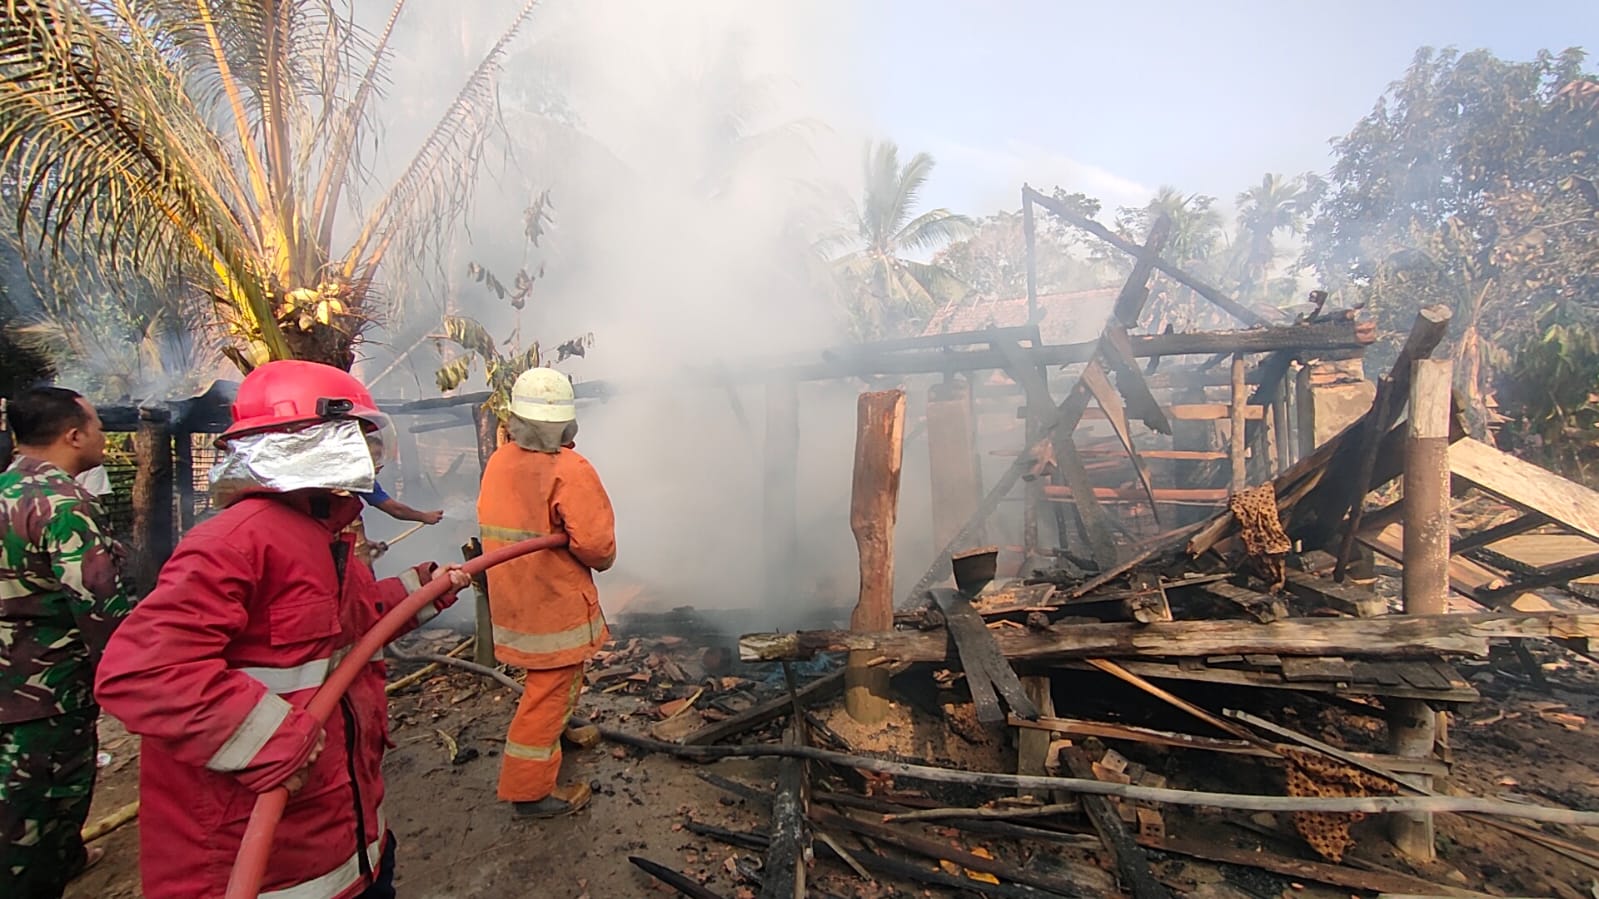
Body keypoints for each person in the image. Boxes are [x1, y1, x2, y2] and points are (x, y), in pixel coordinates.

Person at [94, 361, 471, 899]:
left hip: (345, 840)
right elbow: (141, 671)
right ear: (312, 441)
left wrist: (428, 587)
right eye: (359, 437)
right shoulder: (236, 542)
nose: (371, 453)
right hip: (260, 862)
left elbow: (352, 626)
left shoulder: (321, 534)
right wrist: (271, 738)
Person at [1, 386, 131, 898]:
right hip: (47, 695)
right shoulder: (65, 504)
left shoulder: (6, 492)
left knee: (15, 802)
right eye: (97, 426)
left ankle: (64, 858)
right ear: (73, 435)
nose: (103, 436)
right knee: (41, 812)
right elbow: (99, 607)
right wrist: (134, 676)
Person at [478, 367, 615, 818]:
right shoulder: (569, 468)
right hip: (553, 603)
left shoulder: (501, 459)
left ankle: (558, 729)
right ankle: (530, 791)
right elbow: (597, 548)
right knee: (550, 688)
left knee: (556, 682)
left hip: (514, 599)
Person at [358, 480, 443, 525]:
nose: (380, 465)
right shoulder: (361, 477)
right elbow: (396, 510)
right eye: (374, 459)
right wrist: (424, 516)